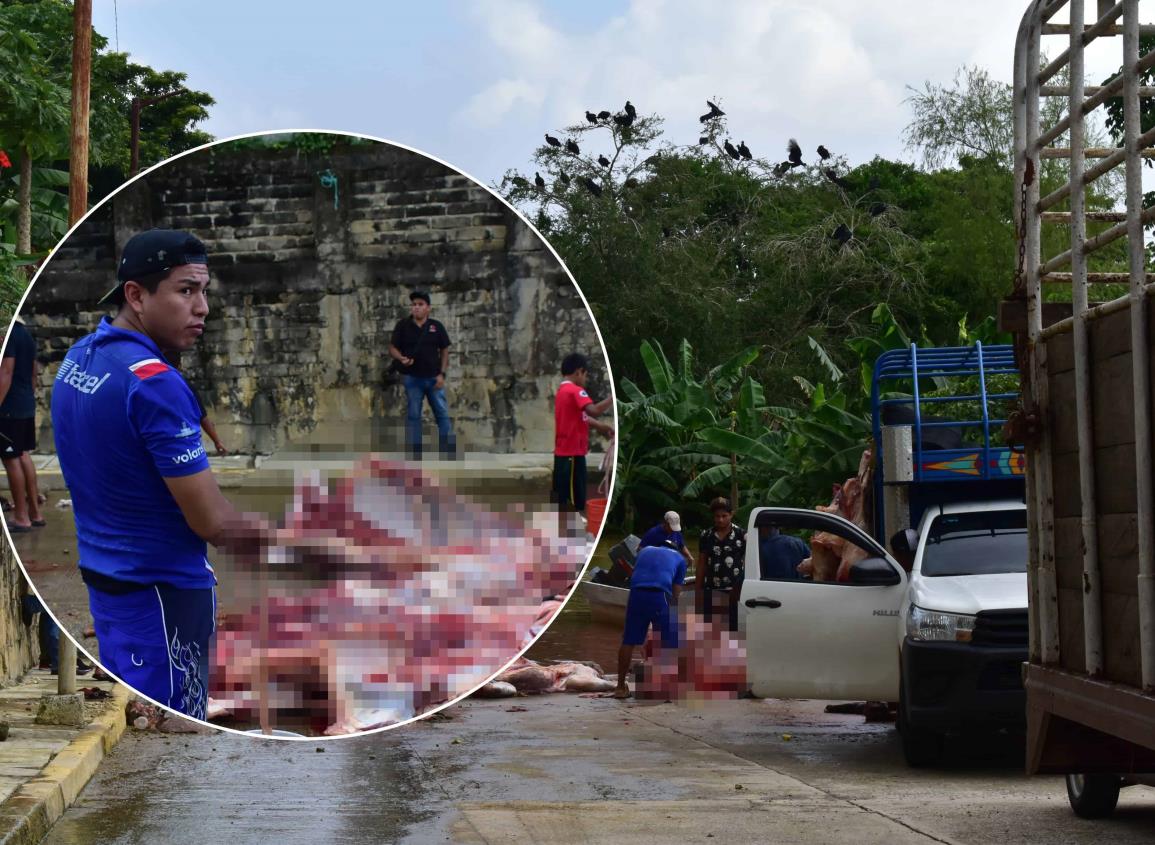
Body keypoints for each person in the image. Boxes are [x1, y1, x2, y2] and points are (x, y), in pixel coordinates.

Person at [51, 228, 270, 719]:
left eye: (204, 291)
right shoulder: (154, 385)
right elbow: (211, 521)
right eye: (186, 290)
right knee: (174, 739)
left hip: (108, 583)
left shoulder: (81, 356)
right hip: (164, 594)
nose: (203, 308)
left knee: (135, 721)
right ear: (136, 294)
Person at [614, 538, 686, 699]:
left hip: (636, 594)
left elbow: (636, 574)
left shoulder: (644, 551)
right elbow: (676, 592)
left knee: (628, 641)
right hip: (659, 595)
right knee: (668, 643)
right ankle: (666, 691)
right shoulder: (680, 559)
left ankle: (619, 687)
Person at [388, 291, 456, 459]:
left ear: (428, 308)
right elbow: (392, 348)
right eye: (414, 304)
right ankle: (415, 454)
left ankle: (447, 452)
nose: (416, 307)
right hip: (413, 379)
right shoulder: (403, 326)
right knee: (413, 416)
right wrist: (401, 358)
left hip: (434, 378)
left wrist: (442, 373)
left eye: (420, 304)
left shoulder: (436, 326)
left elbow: (445, 350)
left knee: (442, 414)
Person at [553, 352, 613, 518]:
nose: (585, 379)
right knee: (574, 499)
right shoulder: (575, 391)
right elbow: (593, 410)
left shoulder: (562, 391)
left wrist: (601, 426)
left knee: (564, 497)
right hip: (571, 454)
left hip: (566, 453)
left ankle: (567, 531)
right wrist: (612, 398)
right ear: (579, 372)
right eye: (585, 375)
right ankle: (572, 533)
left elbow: (582, 417)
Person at [0, 316, 45, 533]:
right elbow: (34, 373)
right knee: (23, 454)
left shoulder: (10, 336)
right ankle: (35, 514)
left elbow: (6, 371)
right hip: (25, 403)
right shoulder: (26, 336)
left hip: (9, 408)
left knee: (10, 459)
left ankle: (21, 517)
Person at [697, 496, 746, 632]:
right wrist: (698, 591)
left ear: (731, 514)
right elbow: (701, 563)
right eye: (717, 516)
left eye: (724, 516)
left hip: (734, 591)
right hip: (711, 589)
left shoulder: (741, 535)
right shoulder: (706, 535)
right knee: (711, 629)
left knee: (733, 628)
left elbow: (748, 562)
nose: (720, 519)